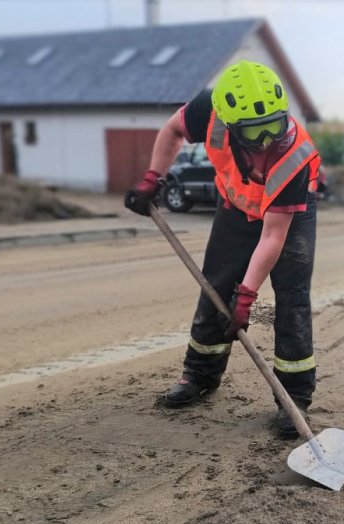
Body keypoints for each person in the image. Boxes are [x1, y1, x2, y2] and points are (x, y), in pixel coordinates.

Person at [124, 60, 321, 438]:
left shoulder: (296, 156)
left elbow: (272, 237)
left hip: (288, 216)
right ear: (229, 124)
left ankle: (293, 399)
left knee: (292, 297)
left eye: (274, 128)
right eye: (254, 134)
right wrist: (153, 177)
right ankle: (199, 377)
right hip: (235, 205)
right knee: (215, 286)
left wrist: (246, 296)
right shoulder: (206, 110)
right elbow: (172, 131)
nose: (267, 142)